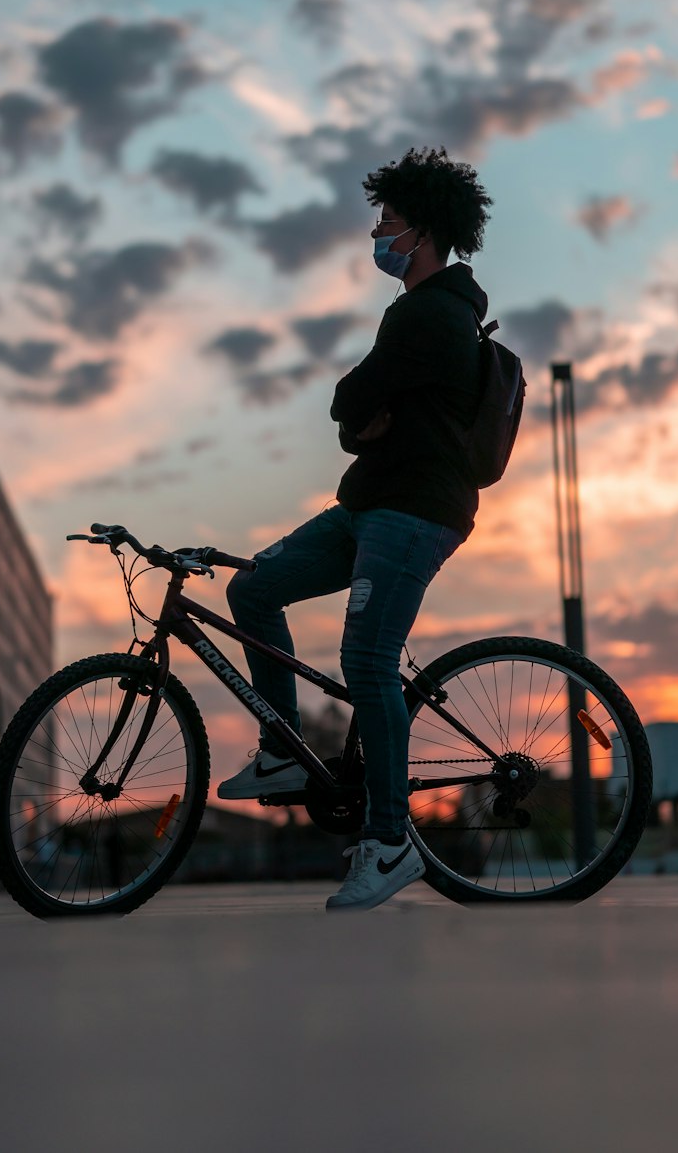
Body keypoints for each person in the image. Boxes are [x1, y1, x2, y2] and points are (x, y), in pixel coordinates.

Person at [219, 146, 494, 910]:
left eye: (390, 221)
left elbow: (349, 397)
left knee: (365, 658)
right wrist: (364, 419)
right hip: (370, 501)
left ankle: (390, 838)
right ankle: (283, 750)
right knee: (254, 586)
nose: (378, 232)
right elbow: (356, 419)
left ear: (426, 231)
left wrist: (364, 414)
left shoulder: (433, 314)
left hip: (414, 512)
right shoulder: (421, 315)